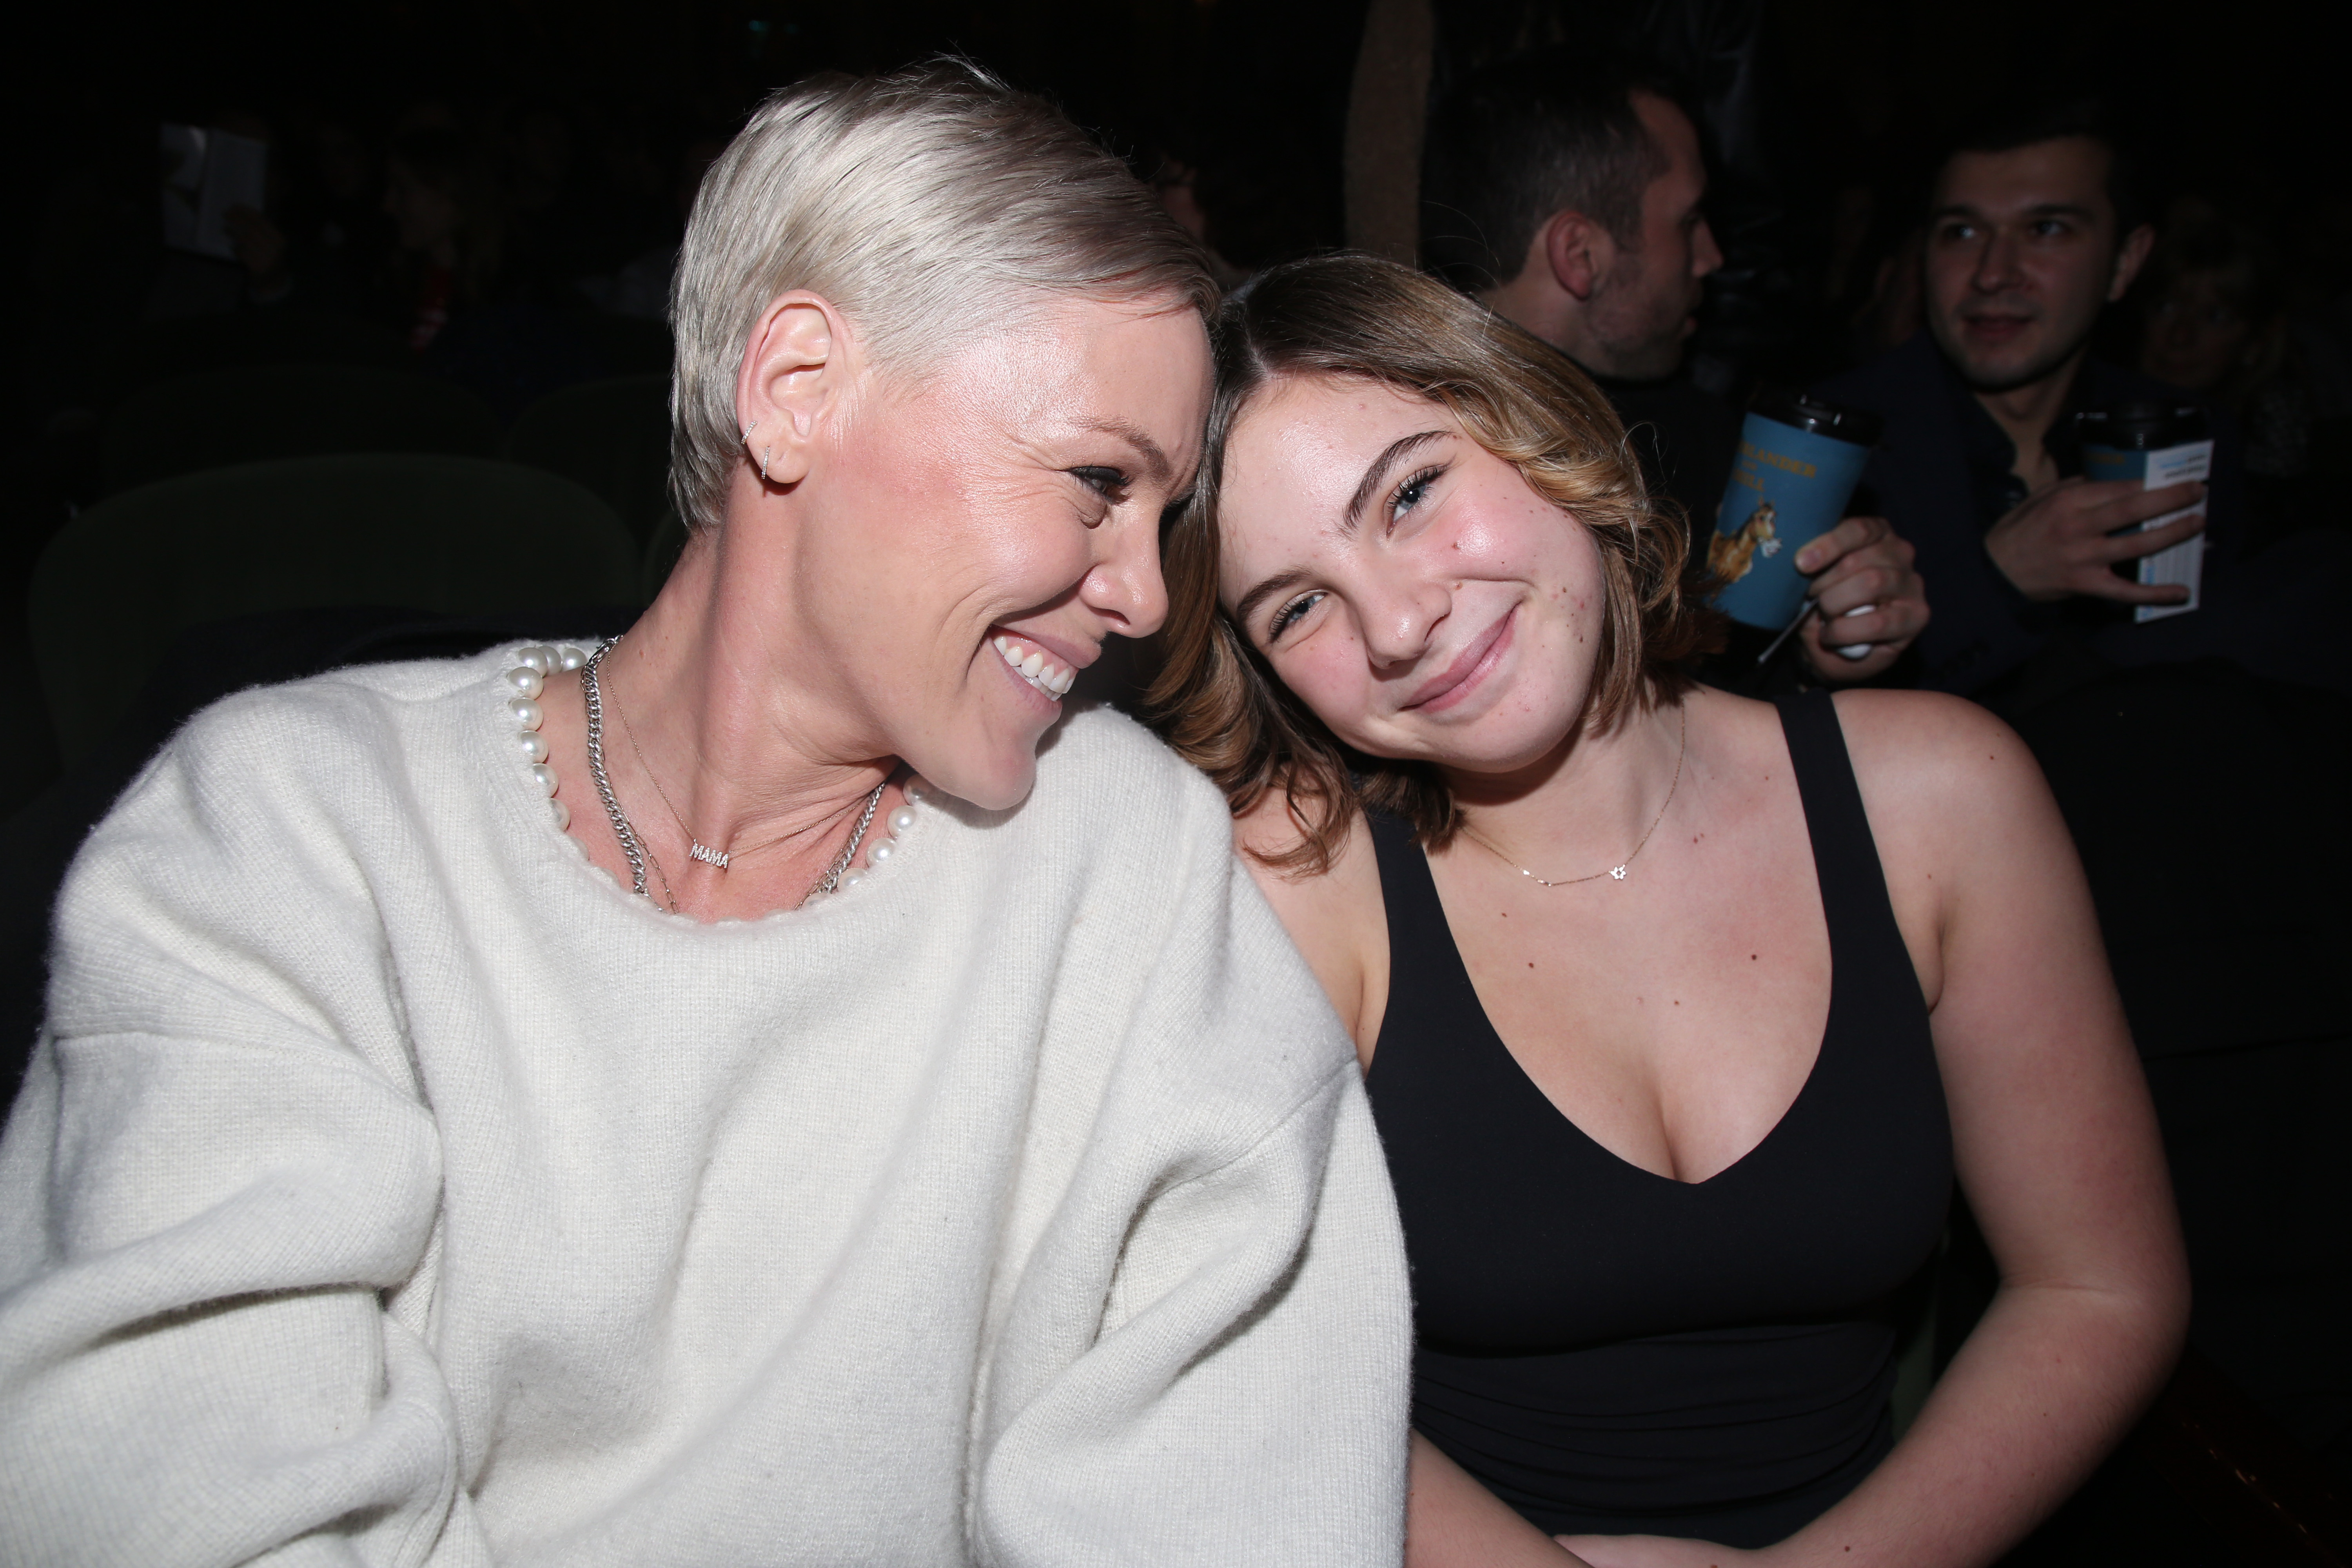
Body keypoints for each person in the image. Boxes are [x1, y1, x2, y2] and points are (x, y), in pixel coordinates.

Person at [0, 66, 1412, 1566]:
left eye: (1161, 516)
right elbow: (180, 1494)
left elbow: (1246, 1499)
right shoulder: (292, 835)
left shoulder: (1132, 871)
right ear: (797, 389)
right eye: (1096, 479)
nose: (1140, 595)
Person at [1151, 252, 2187, 1564]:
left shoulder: (1938, 802)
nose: (1400, 623)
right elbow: (1234, 1362)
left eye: (1412, 493)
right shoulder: (1293, 885)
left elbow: (2097, 1288)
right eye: (1300, 606)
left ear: (1538, 428)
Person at [1421, 51, 1929, 686]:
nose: (1712, 257)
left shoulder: (1708, 428)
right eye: (1688, 222)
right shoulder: (1444, 466)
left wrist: (1824, 644)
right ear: (1581, 255)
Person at [1813, 96, 2245, 700]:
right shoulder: (1823, 444)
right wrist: (1998, 581)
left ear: (2125, 262)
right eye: (1962, 232)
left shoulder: (2191, 439)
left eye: (2045, 230)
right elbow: (1781, 708)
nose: (1993, 273)